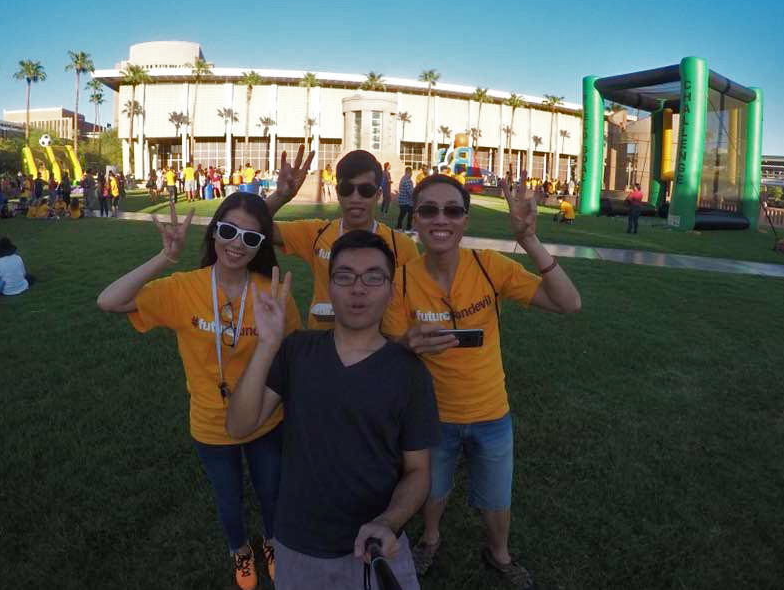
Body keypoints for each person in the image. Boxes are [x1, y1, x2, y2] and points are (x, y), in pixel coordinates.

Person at [382, 175, 581, 588]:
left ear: (465, 220)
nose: (441, 219)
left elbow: (569, 303)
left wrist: (529, 240)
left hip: (491, 413)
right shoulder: (401, 281)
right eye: (429, 210)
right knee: (433, 490)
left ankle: (499, 554)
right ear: (415, 219)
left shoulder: (489, 266)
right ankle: (430, 540)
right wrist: (405, 343)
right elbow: (389, 348)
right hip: (432, 417)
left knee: (495, 498)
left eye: (452, 210)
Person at [98, 194, 301, 590]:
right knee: (228, 497)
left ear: (260, 245)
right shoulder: (184, 288)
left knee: (271, 490)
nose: (237, 243)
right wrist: (165, 257)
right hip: (210, 423)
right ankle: (240, 551)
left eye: (251, 237)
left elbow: (291, 360)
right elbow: (109, 301)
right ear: (214, 233)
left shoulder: (272, 292)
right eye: (228, 231)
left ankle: (273, 543)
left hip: (264, 418)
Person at [226, 230, 440, 590]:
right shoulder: (296, 351)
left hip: (376, 547)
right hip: (298, 545)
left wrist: (388, 522)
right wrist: (266, 345)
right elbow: (238, 425)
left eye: (373, 277)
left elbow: (419, 472)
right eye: (345, 276)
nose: (358, 289)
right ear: (329, 286)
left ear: (391, 291)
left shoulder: (410, 372)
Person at [265, 147, 418, 329]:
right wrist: (279, 197)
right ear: (337, 192)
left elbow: (414, 306)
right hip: (324, 341)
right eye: (347, 189)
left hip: (382, 342)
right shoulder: (317, 233)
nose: (355, 198)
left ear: (378, 195)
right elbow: (254, 227)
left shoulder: (401, 246)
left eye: (365, 190)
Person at [396, 166, 415, 233]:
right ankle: (408, 228)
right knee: (409, 215)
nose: (411, 174)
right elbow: (410, 192)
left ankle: (399, 227)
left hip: (402, 200)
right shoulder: (407, 180)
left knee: (402, 215)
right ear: (408, 172)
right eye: (411, 172)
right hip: (407, 201)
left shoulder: (403, 178)